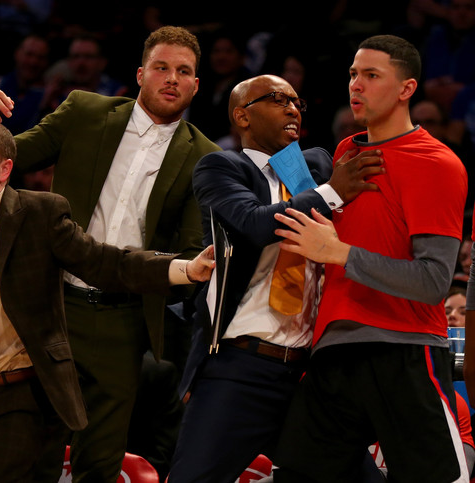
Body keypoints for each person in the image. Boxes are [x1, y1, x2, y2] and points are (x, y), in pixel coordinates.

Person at [0, 118, 214, 482]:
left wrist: (184, 269)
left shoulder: (40, 215)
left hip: (20, 397)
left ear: (5, 168)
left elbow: (107, 263)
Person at [0, 25, 220, 482]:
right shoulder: (83, 109)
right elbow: (6, 162)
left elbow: (188, 250)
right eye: (161, 67)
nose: (172, 79)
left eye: (184, 71)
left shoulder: (205, 156)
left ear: (196, 85)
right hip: (52, 306)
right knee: (29, 453)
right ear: (140, 74)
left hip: (125, 322)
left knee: (100, 463)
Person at [167, 74, 385, 483]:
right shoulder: (220, 167)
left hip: (309, 371)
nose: (292, 108)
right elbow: (254, 224)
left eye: (296, 101)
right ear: (242, 116)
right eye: (276, 99)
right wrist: (331, 193)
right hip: (241, 366)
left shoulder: (316, 165)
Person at [271, 34, 470, 482]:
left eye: (371, 75)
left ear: (406, 89)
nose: (356, 85)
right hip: (333, 351)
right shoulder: (347, 153)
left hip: (405, 348)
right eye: (353, 74)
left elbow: (434, 281)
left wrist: (339, 252)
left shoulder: (437, 162)